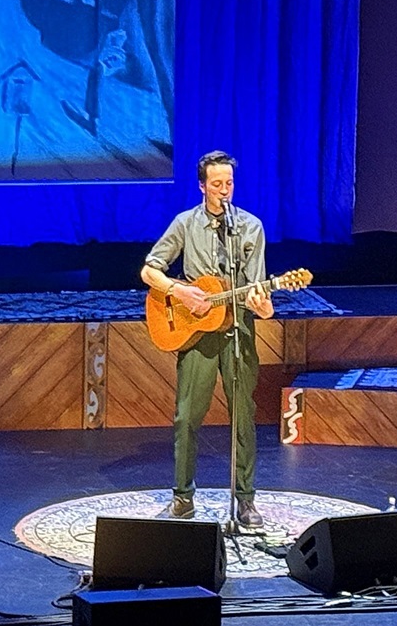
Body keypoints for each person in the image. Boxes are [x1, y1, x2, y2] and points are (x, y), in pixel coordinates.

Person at [140, 151, 274, 529]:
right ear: (202, 186)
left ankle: (245, 501)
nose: (224, 190)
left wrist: (262, 305)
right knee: (186, 418)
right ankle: (183, 498)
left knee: (243, 416)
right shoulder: (185, 224)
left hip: (238, 331)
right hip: (196, 334)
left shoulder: (251, 228)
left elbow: (256, 287)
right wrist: (180, 292)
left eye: (229, 183)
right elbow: (150, 270)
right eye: (216, 184)